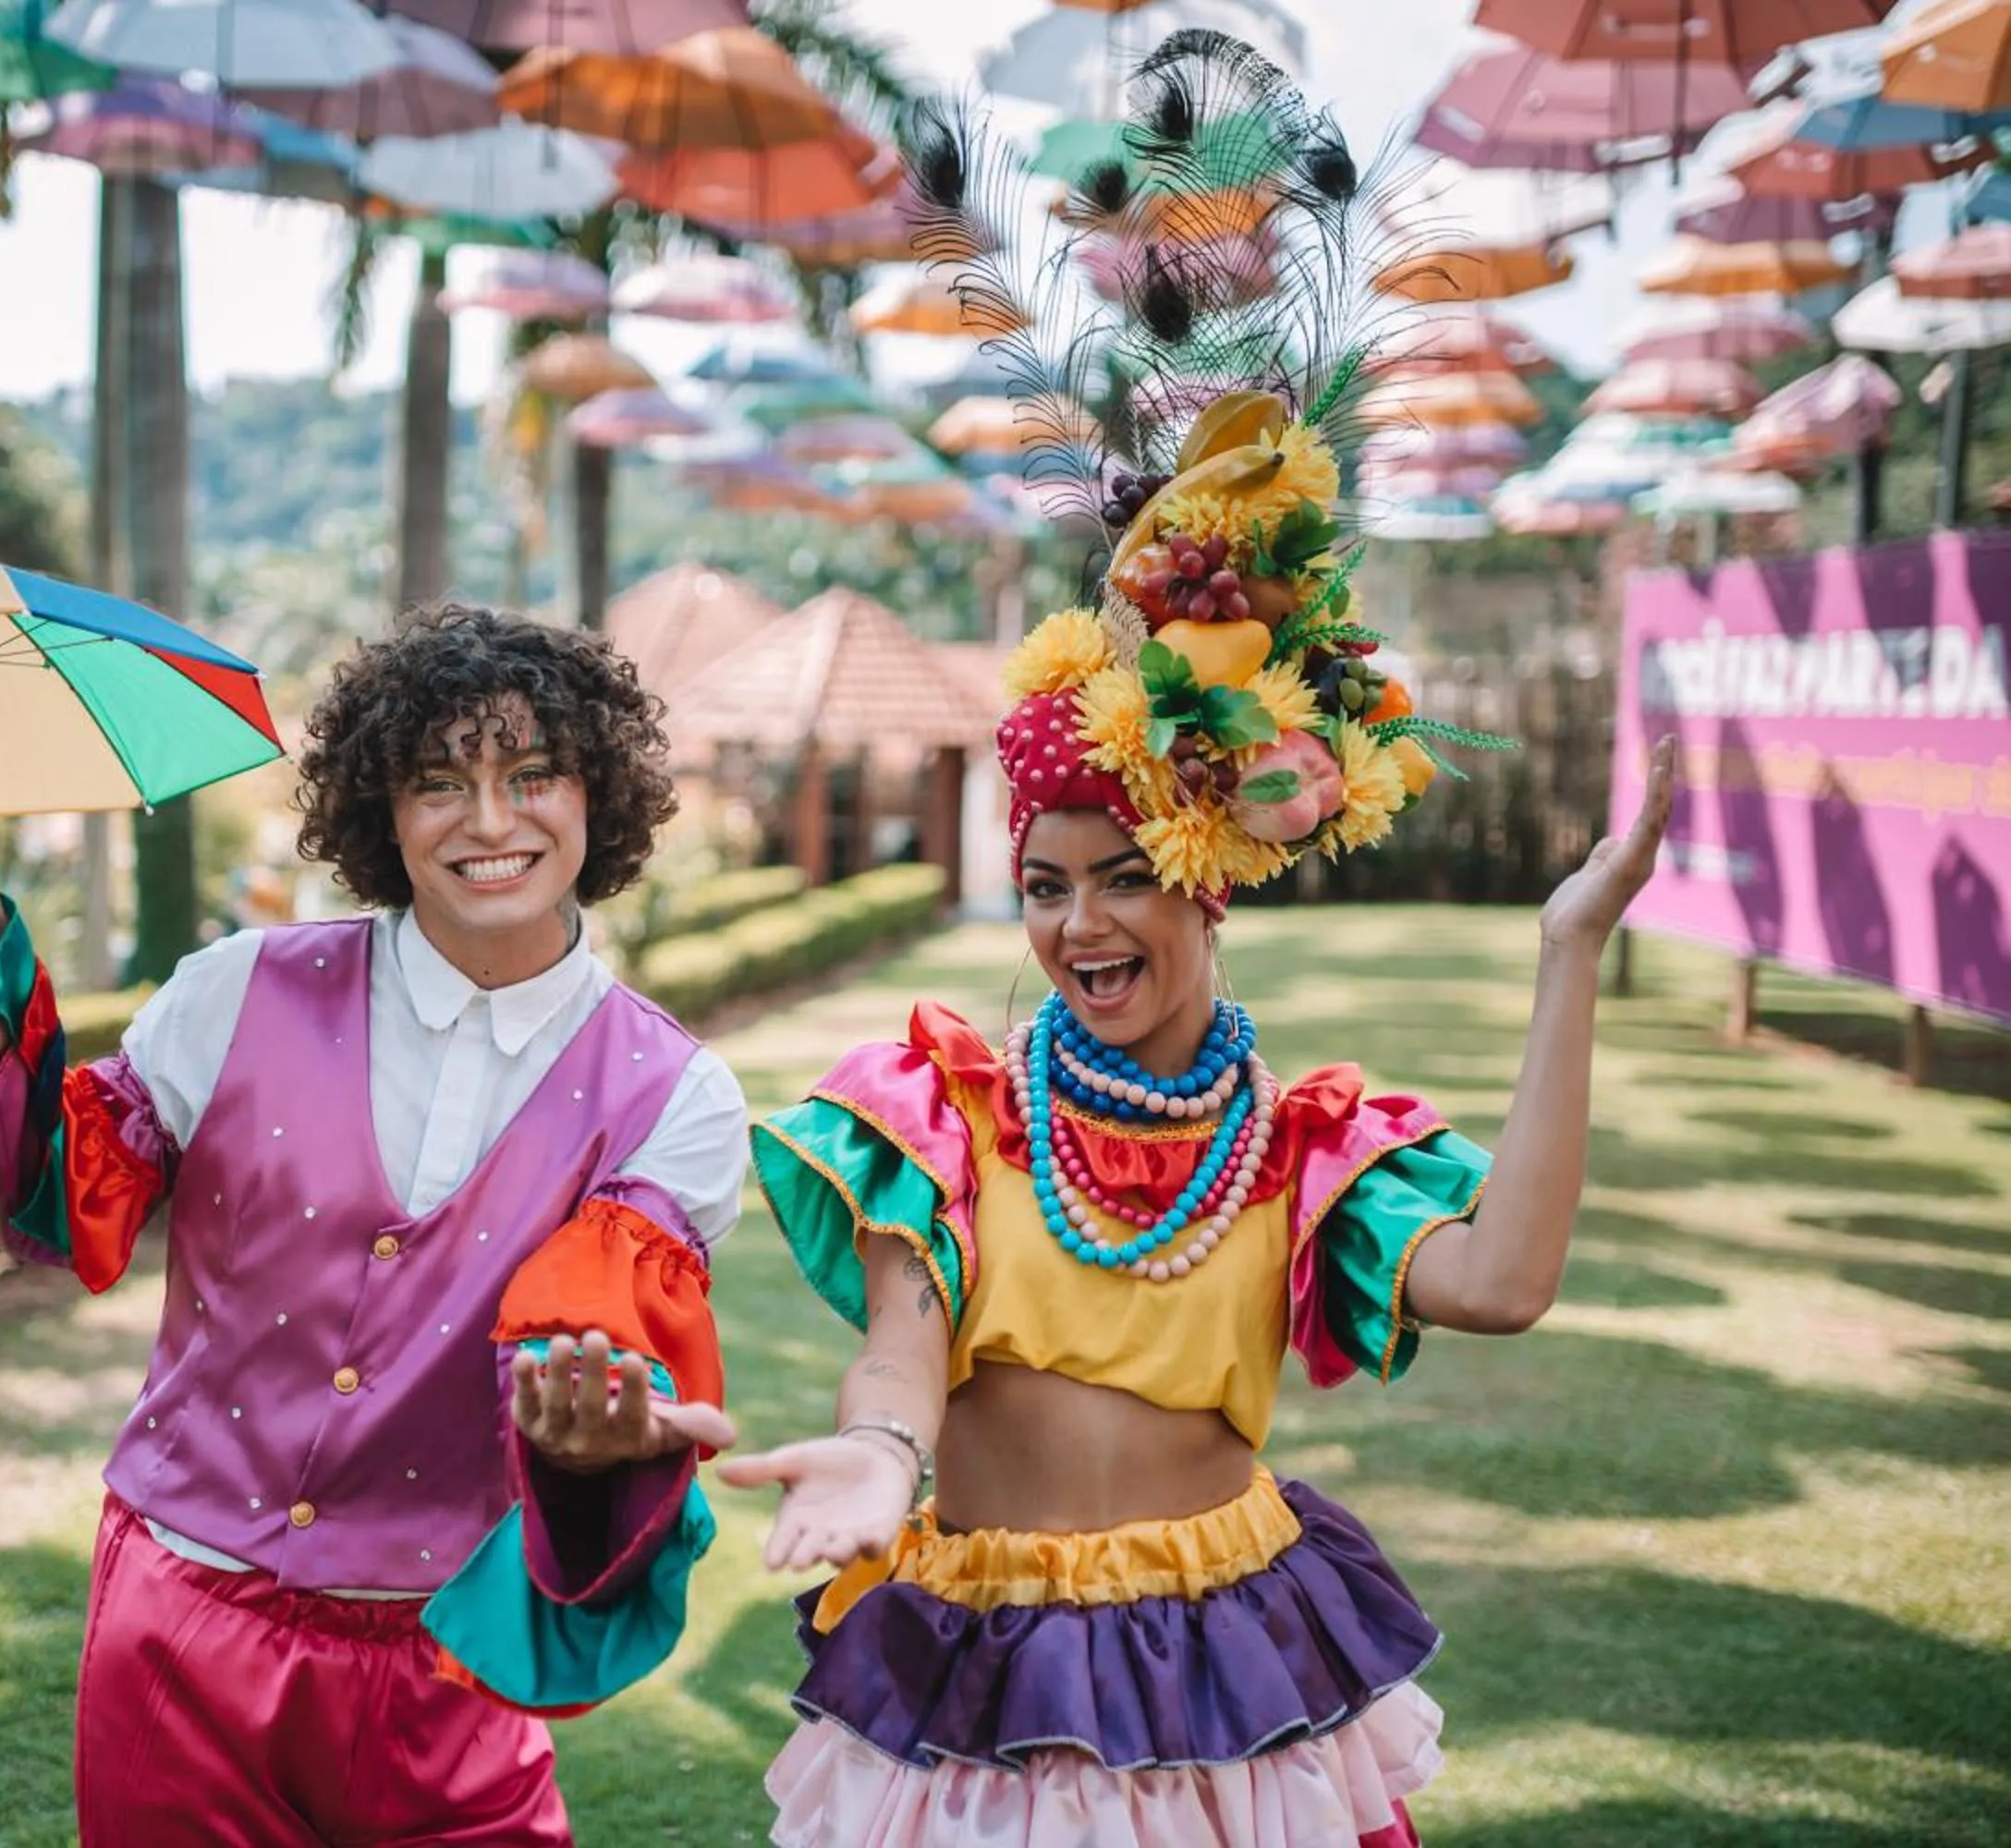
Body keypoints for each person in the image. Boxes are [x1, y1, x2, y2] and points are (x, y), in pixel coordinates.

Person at [715, 40, 1681, 1841]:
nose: (1077, 922)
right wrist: (876, 1451)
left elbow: (1499, 1282)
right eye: (1044, 881)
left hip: (1230, 1677)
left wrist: (1567, 959)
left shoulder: (1303, 1140)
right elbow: (902, 1349)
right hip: (985, 1669)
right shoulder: (954, 1111)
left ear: (1206, 868)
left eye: (1119, 876)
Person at [0, 604, 751, 1846]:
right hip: (179, 1636)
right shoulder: (233, 991)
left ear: (600, 795)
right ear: (381, 811)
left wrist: (592, 1437)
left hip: (446, 1669)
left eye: (532, 774)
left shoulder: (677, 1100)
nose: (491, 823)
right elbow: (55, 1197)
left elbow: (599, 1336)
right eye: (440, 784)